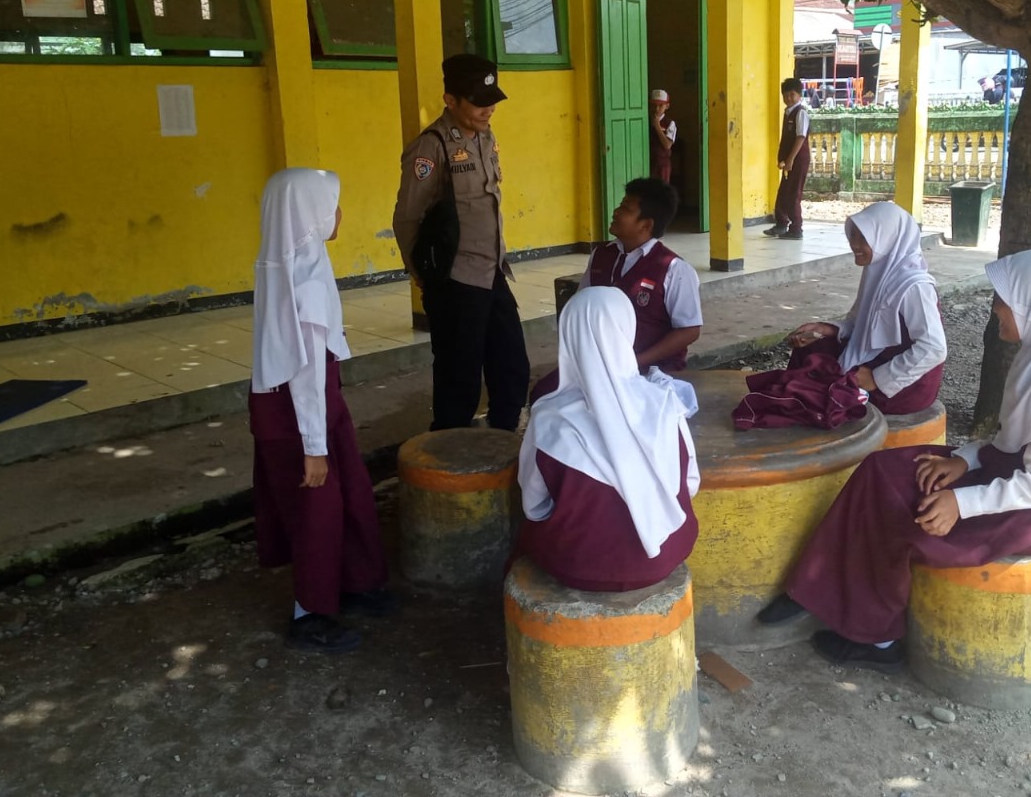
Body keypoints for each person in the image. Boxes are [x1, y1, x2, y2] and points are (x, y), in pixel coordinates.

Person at [756, 247, 1031, 672]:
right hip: (1006, 473)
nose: (996, 310)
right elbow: (1013, 439)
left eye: (1003, 300)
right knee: (882, 470)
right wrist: (965, 460)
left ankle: (880, 640)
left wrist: (961, 502)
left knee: (909, 517)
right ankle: (813, 589)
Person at [249, 168, 394, 654]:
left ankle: (354, 583)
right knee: (317, 511)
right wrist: (314, 447)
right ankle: (310, 615)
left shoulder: (288, 260)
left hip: (309, 405)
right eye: (332, 204)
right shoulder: (304, 279)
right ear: (310, 215)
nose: (339, 214)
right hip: (299, 413)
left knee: (349, 493)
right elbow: (304, 371)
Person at [515, 287, 701, 591]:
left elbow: (534, 507)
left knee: (524, 537)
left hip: (581, 566)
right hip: (671, 549)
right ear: (626, 331)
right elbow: (690, 484)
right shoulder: (665, 404)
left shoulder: (550, 418)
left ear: (568, 336)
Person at [391, 53, 530, 432]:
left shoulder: (486, 137)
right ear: (450, 100)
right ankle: (451, 455)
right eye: (478, 103)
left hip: (492, 271)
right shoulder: (431, 147)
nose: (488, 111)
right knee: (459, 375)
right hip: (456, 279)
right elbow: (408, 216)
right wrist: (420, 272)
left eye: (492, 102)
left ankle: (502, 441)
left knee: (511, 363)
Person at [529, 177, 702, 402]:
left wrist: (635, 361)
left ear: (645, 225)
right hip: (601, 365)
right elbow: (583, 304)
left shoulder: (675, 269)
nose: (616, 212)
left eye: (625, 208)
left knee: (612, 407)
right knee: (543, 395)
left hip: (651, 370)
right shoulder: (601, 255)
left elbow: (689, 330)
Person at [784, 201, 946, 416]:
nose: (855, 245)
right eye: (854, 236)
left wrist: (878, 378)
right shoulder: (879, 272)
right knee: (810, 349)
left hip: (904, 386)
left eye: (865, 239)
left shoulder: (914, 286)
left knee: (823, 385)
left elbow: (934, 348)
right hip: (878, 356)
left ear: (888, 240)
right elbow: (861, 322)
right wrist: (828, 329)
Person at [765, 77, 812, 240]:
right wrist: (783, 159)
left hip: (798, 160)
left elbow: (800, 137)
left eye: (792, 94)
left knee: (793, 193)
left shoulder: (801, 113)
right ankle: (781, 223)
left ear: (799, 95)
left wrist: (790, 159)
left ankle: (796, 228)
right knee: (783, 191)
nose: (788, 98)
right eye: (785, 95)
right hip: (789, 160)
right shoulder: (789, 113)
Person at [649, 88, 677, 184]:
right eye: (654, 105)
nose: (657, 109)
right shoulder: (645, 120)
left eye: (660, 105)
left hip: (662, 164)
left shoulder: (670, 123)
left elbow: (667, 145)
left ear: (667, 106)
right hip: (649, 160)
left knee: (662, 191)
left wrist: (657, 126)